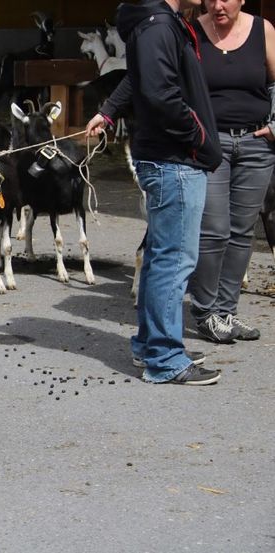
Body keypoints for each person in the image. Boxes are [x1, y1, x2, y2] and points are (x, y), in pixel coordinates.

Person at [86, 0, 223, 385]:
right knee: (174, 260)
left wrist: (110, 108)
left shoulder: (157, 23)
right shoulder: (158, 25)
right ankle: (165, 358)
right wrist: (203, 142)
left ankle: (151, 345)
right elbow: (162, 96)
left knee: (163, 257)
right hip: (174, 160)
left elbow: (140, 76)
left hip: (168, 158)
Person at [186, 0, 275, 343]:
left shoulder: (263, 30)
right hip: (212, 145)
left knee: (242, 231)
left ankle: (227, 311)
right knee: (214, 230)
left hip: (256, 145)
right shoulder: (193, 32)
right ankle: (206, 312)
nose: (218, 5)